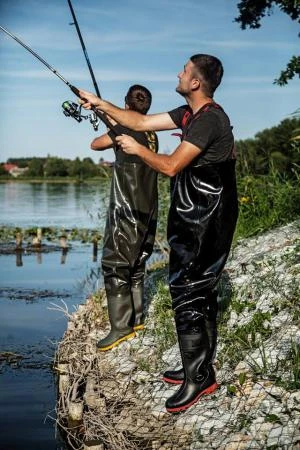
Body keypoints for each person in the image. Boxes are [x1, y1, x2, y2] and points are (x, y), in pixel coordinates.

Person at [78, 54, 238, 413]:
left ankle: (198, 380)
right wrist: (99, 103)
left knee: (188, 288)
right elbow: (141, 119)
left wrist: (135, 148)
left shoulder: (209, 120)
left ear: (196, 83)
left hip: (207, 216)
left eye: (184, 71)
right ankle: (198, 367)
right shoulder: (188, 114)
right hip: (194, 212)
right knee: (195, 287)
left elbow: (170, 166)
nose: (178, 74)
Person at [90, 85, 159, 352]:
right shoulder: (151, 133)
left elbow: (95, 145)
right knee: (138, 262)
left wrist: (113, 124)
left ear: (126, 105)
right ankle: (137, 319)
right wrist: (113, 120)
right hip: (148, 207)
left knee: (116, 263)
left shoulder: (124, 129)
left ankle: (120, 327)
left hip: (126, 206)